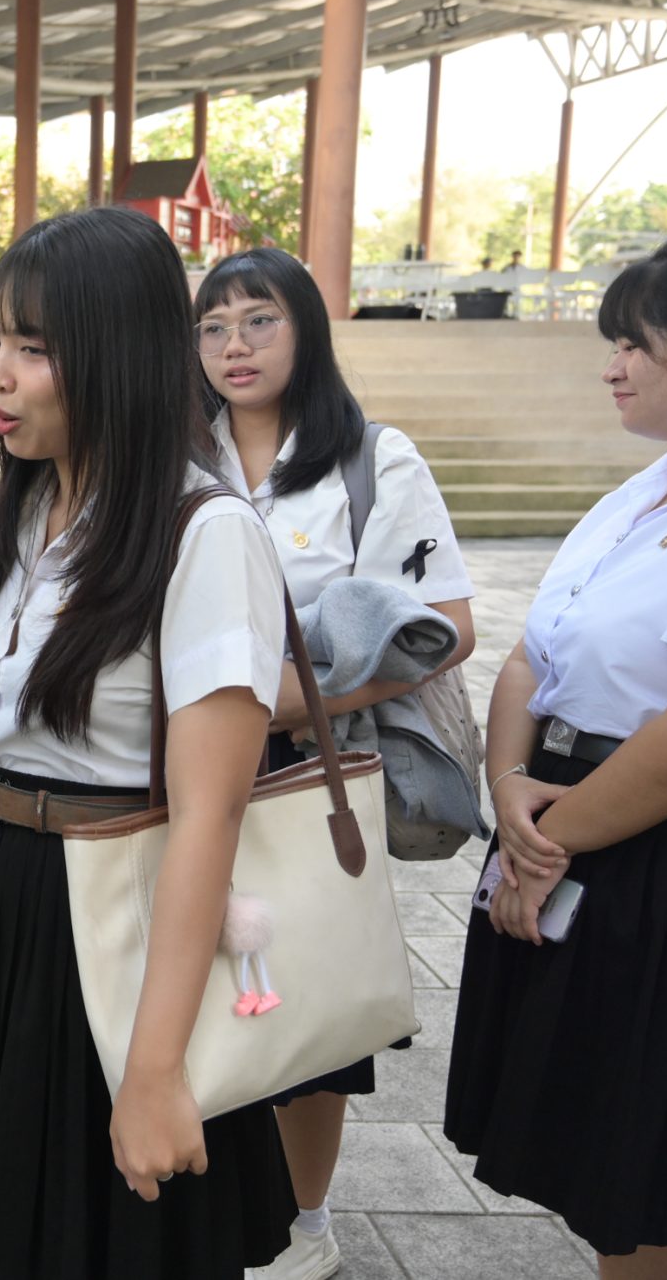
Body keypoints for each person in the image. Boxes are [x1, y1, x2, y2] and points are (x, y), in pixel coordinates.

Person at [0, 206, 297, 1279]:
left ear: (119, 356)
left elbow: (210, 814)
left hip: (104, 924)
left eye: (33, 348)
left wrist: (155, 1067)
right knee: (5, 1224)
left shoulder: (202, 532)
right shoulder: (25, 506)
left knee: (102, 1237)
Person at [446, 229, 667, 1280]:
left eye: (633, 343)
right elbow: (531, 657)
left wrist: (544, 841)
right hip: (588, 835)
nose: (612, 366)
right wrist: (509, 786)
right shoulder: (650, 486)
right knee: (618, 1176)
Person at [194, 247, 476, 1280]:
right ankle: (206, 1207)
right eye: (213, 326)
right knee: (192, 982)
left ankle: (303, 1224)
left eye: (259, 319)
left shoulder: (371, 459)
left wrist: (297, 699)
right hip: (186, 766)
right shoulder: (176, 451)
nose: (234, 345)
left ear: (306, 330)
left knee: (304, 1004)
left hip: (312, 771)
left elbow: (444, 625)